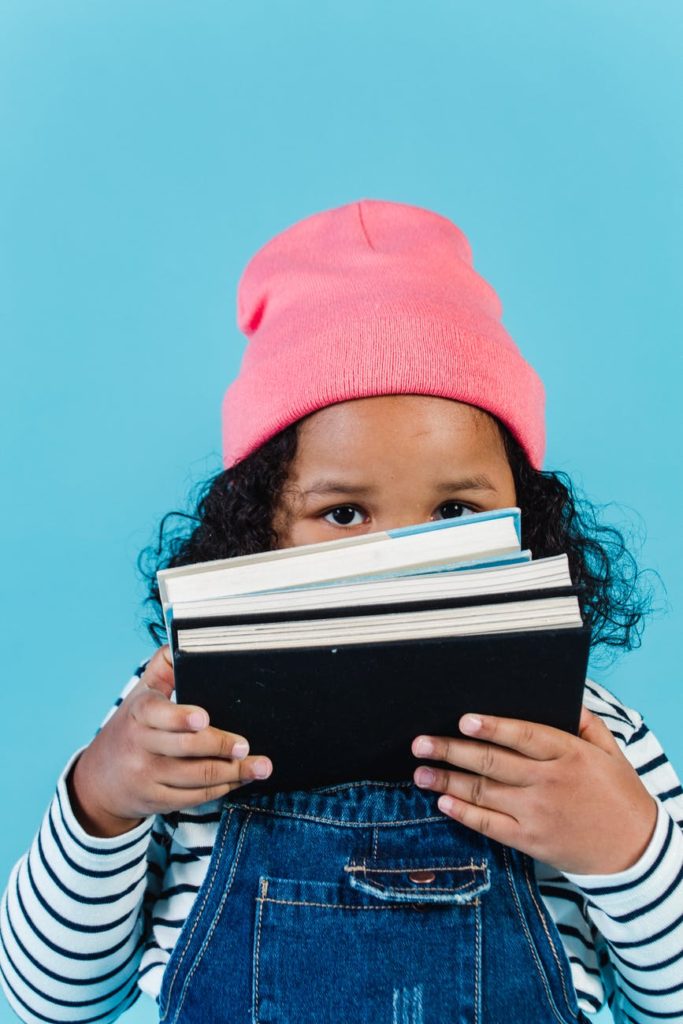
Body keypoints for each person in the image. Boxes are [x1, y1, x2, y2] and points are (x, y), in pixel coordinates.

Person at [1, 199, 682, 1024]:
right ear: (259, 529)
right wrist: (101, 801)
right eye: (346, 514)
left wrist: (627, 852)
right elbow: (48, 1000)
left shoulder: (583, 739)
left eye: (456, 512)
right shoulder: (171, 727)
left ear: (525, 519)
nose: (400, 557)